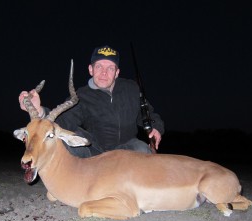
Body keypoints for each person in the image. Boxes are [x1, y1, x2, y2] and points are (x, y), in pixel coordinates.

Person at [19, 45, 164, 158]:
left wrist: (156, 127)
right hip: (96, 151)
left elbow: (147, 114)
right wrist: (39, 111)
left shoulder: (131, 88)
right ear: (91, 69)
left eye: (110, 68)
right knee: (65, 139)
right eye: (99, 66)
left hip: (127, 148)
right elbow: (62, 121)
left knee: (142, 150)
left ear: (117, 73)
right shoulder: (82, 95)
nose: (104, 73)